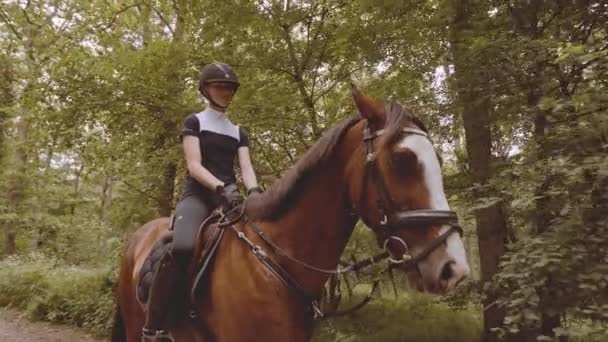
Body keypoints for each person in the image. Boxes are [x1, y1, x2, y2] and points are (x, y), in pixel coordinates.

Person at [142, 62, 261, 342]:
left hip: (230, 199)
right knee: (183, 247)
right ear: (206, 89)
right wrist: (221, 187)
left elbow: (246, 167)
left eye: (230, 88)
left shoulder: (238, 131)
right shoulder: (194, 122)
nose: (226, 92)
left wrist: (254, 192)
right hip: (198, 195)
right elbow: (194, 166)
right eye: (220, 86)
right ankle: (154, 325)